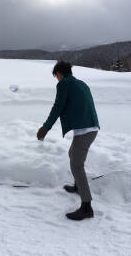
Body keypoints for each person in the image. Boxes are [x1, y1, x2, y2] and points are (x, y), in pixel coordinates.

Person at [37, 61, 99, 220]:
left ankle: (87, 207)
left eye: (56, 76)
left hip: (85, 130)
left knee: (76, 164)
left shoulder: (64, 83)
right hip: (89, 127)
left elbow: (58, 107)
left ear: (59, 73)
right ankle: (78, 186)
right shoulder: (81, 83)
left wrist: (45, 127)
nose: (57, 79)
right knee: (73, 154)